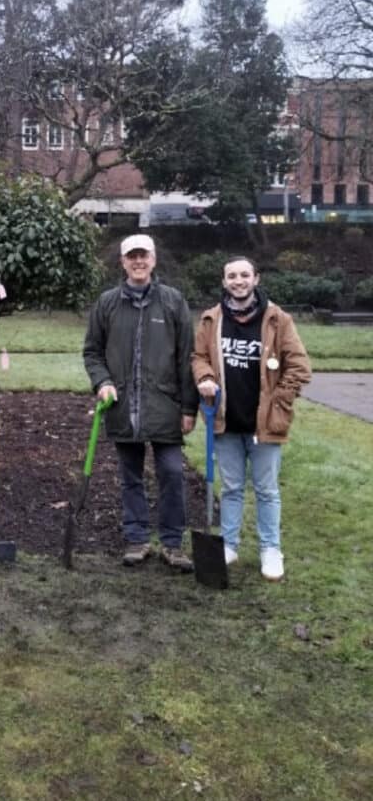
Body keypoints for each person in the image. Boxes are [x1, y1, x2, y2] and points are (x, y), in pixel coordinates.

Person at [83, 234, 198, 571]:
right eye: (131, 257)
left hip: (165, 405)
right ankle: (137, 539)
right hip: (122, 408)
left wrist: (189, 408)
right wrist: (102, 382)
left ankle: (173, 543)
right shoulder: (106, 303)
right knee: (130, 476)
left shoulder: (174, 302)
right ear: (123, 262)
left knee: (172, 473)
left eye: (143, 256)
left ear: (154, 259)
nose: (138, 262)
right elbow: (92, 352)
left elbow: (186, 358)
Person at [192, 256, 311, 581]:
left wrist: (279, 401)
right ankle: (229, 544)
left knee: (266, 489)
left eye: (245, 274)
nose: (238, 281)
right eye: (232, 275)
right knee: (230, 488)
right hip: (225, 422)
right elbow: (199, 356)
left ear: (256, 279)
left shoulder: (277, 319)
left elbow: (300, 366)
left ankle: (270, 549)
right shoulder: (211, 319)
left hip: (264, 425)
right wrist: (204, 376)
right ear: (224, 281)